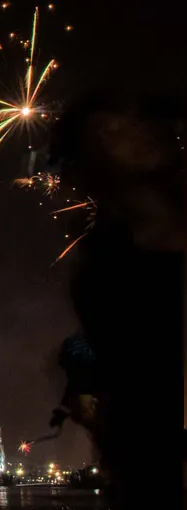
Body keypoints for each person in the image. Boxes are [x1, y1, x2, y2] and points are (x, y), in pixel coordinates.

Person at [48, 93, 185, 508]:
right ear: (87, 170)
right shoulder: (104, 276)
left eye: (129, 119)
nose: (134, 131)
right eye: (110, 132)